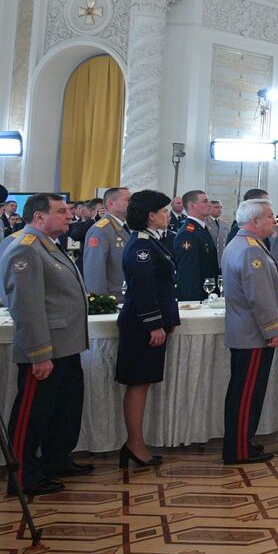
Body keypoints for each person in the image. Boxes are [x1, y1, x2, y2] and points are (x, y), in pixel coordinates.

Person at [1, 194, 90, 495]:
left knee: (63, 409)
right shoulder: (25, 250)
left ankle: (55, 459)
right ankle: (21, 475)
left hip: (67, 344)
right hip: (45, 348)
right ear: (39, 217)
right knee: (33, 414)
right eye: (62, 211)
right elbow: (27, 308)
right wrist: (39, 354)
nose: (70, 216)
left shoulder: (48, 245)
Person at [220, 199, 278, 465]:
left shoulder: (243, 244)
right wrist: (273, 329)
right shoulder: (250, 250)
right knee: (246, 393)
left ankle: (242, 441)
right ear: (255, 221)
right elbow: (259, 297)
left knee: (245, 391)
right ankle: (238, 449)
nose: (274, 221)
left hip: (246, 331)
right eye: (270, 216)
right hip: (252, 334)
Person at [117, 190, 178, 468]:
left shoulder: (155, 242)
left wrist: (169, 321)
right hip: (141, 325)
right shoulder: (141, 245)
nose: (167, 215)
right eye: (163, 211)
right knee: (138, 382)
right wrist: (155, 324)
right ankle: (134, 444)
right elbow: (144, 289)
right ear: (150, 216)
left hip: (151, 324)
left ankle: (136, 443)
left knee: (144, 381)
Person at [173, 189, 221, 301]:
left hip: (208, 293)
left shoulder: (200, 228)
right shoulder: (188, 233)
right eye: (205, 201)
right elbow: (188, 272)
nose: (210, 204)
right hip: (197, 297)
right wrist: (193, 302)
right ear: (192, 206)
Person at [83, 185, 131, 296]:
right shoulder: (101, 230)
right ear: (111, 203)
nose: (132, 204)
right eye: (128, 200)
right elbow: (94, 271)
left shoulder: (126, 226)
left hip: (128, 295)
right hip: (114, 298)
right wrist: (100, 302)